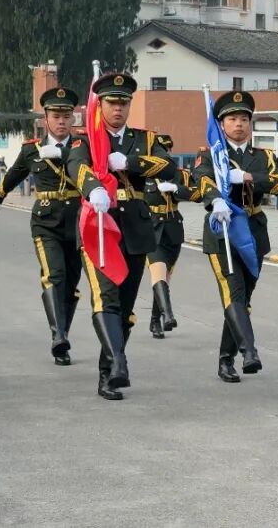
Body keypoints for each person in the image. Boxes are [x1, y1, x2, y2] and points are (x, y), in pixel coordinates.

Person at [65, 72, 177, 400]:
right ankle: (120, 362)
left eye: (123, 102)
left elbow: (168, 167)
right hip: (100, 224)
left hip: (136, 229)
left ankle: (108, 372)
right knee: (105, 298)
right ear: (100, 105)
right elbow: (77, 167)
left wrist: (130, 161)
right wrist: (94, 187)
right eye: (111, 102)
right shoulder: (85, 139)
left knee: (125, 307)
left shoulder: (145, 139)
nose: (117, 108)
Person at [193, 91, 278, 383]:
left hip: (254, 231)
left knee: (244, 298)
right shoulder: (210, 154)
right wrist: (215, 198)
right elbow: (201, 179)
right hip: (223, 231)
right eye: (232, 119)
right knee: (232, 292)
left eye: (244, 119)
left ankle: (226, 359)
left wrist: (249, 178)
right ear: (221, 124)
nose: (239, 124)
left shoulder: (264, 157)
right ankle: (249, 351)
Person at [0, 86, 84, 366]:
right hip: (46, 222)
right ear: (45, 118)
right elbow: (14, 174)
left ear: (73, 119)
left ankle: (63, 333)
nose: (61, 121)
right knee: (53, 275)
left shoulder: (83, 146)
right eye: (56, 115)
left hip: (79, 221)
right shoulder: (32, 149)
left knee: (71, 284)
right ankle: (58, 336)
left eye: (66, 115)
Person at [144, 134, 199, 339]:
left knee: (165, 278)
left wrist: (177, 189)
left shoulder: (179, 175)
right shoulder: (143, 175)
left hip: (173, 229)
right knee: (158, 272)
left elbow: (197, 193)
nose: (164, 156)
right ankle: (168, 315)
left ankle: (154, 320)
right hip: (150, 227)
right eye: (160, 152)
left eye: (167, 151)